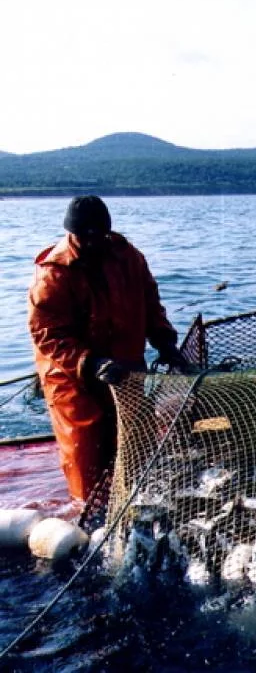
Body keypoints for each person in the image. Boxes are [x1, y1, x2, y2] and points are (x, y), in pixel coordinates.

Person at [27, 195, 187, 501]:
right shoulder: (53, 273)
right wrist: (90, 362)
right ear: (70, 233)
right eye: (81, 236)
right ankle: (90, 511)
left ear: (106, 232)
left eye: (96, 236)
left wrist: (165, 343)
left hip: (125, 366)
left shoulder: (129, 258)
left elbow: (151, 305)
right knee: (84, 451)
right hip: (72, 376)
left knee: (137, 443)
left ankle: (134, 500)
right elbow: (47, 334)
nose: (89, 242)